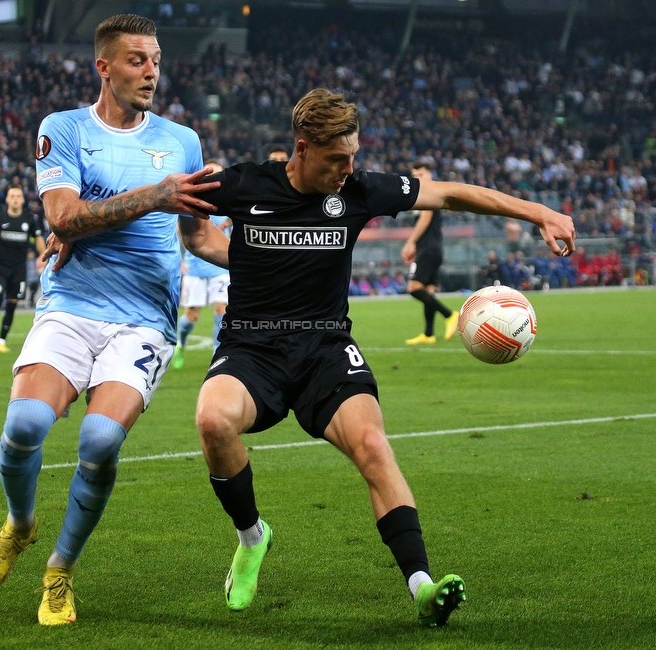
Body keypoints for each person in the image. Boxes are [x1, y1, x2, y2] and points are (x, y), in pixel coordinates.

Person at [188, 88, 575, 626]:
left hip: (325, 346)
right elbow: (176, 214)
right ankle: (252, 537)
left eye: (354, 156)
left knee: (372, 444)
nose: (349, 170)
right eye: (337, 160)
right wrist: (70, 230)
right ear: (301, 149)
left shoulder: (360, 190)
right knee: (212, 420)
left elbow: (451, 195)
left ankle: (421, 585)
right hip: (252, 345)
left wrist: (540, 212)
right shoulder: (244, 183)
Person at [0, 14, 226, 627]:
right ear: (104, 66)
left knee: (100, 439)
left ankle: (60, 569)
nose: (151, 71)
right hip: (72, 305)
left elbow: (199, 236)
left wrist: (280, 259)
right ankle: (21, 525)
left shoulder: (182, 142)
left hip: (145, 319)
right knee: (26, 422)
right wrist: (153, 197)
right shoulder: (63, 129)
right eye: (137, 60)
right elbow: (63, 218)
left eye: (156, 60)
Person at [173, 160, 231, 369]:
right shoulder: (193, 201)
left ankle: (217, 353)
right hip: (196, 266)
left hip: (221, 265)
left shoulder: (231, 200)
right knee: (192, 314)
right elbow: (179, 232)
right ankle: (181, 342)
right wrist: (179, 261)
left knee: (221, 309)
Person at [0, 185, 45, 353]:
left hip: (19, 269)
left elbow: (38, 239)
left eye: (18, 196)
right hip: (1, 267)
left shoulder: (29, 220)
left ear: (22, 200)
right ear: (7, 199)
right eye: (12, 196)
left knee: (12, 303)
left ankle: (1, 341)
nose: (15, 198)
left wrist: (42, 257)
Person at [400, 162, 458, 345]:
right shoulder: (428, 193)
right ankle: (428, 334)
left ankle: (450, 315)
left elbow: (425, 219)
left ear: (430, 174)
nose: (417, 178)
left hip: (428, 248)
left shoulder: (428, 192)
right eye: (414, 175)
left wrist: (410, 243)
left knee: (414, 288)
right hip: (434, 247)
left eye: (421, 174)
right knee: (429, 291)